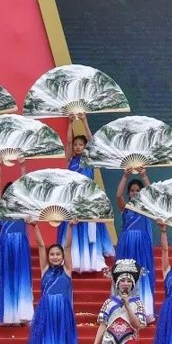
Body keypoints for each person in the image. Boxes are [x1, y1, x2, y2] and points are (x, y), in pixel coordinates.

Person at [24, 217, 80, 344]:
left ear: (63, 257)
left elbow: (68, 246)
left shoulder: (67, 270)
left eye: (58, 254)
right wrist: (35, 226)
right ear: (48, 257)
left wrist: (70, 227)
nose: (55, 257)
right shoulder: (44, 270)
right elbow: (41, 245)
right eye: (52, 254)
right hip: (46, 312)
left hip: (63, 313)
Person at [57, 114, 115, 272]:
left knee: (88, 229)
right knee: (74, 228)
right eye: (76, 145)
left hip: (88, 199)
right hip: (72, 200)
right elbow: (68, 142)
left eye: (81, 145)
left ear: (85, 147)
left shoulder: (89, 160)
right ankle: (74, 258)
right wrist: (70, 123)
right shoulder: (70, 160)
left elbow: (92, 140)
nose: (77, 147)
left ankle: (91, 259)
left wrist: (84, 121)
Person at [0, 155, 34, 326]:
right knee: (4, 280)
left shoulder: (23, 209)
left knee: (20, 279)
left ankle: (20, 315)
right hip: (3, 248)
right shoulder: (1, 209)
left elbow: (25, 186)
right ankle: (5, 316)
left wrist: (23, 166)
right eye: (8, 193)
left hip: (20, 248)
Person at [115, 168, 155, 323]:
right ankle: (124, 308)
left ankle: (145, 310)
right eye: (132, 190)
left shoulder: (146, 208)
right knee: (126, 274)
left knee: (142, 274)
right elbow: (118, 195)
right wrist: (125, 176)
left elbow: (153, 195)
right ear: (129, 193)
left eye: (138, 190)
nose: (135, 193)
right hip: (126, 245)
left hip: (142, 245)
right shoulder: (125, 208)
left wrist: (144, 175)